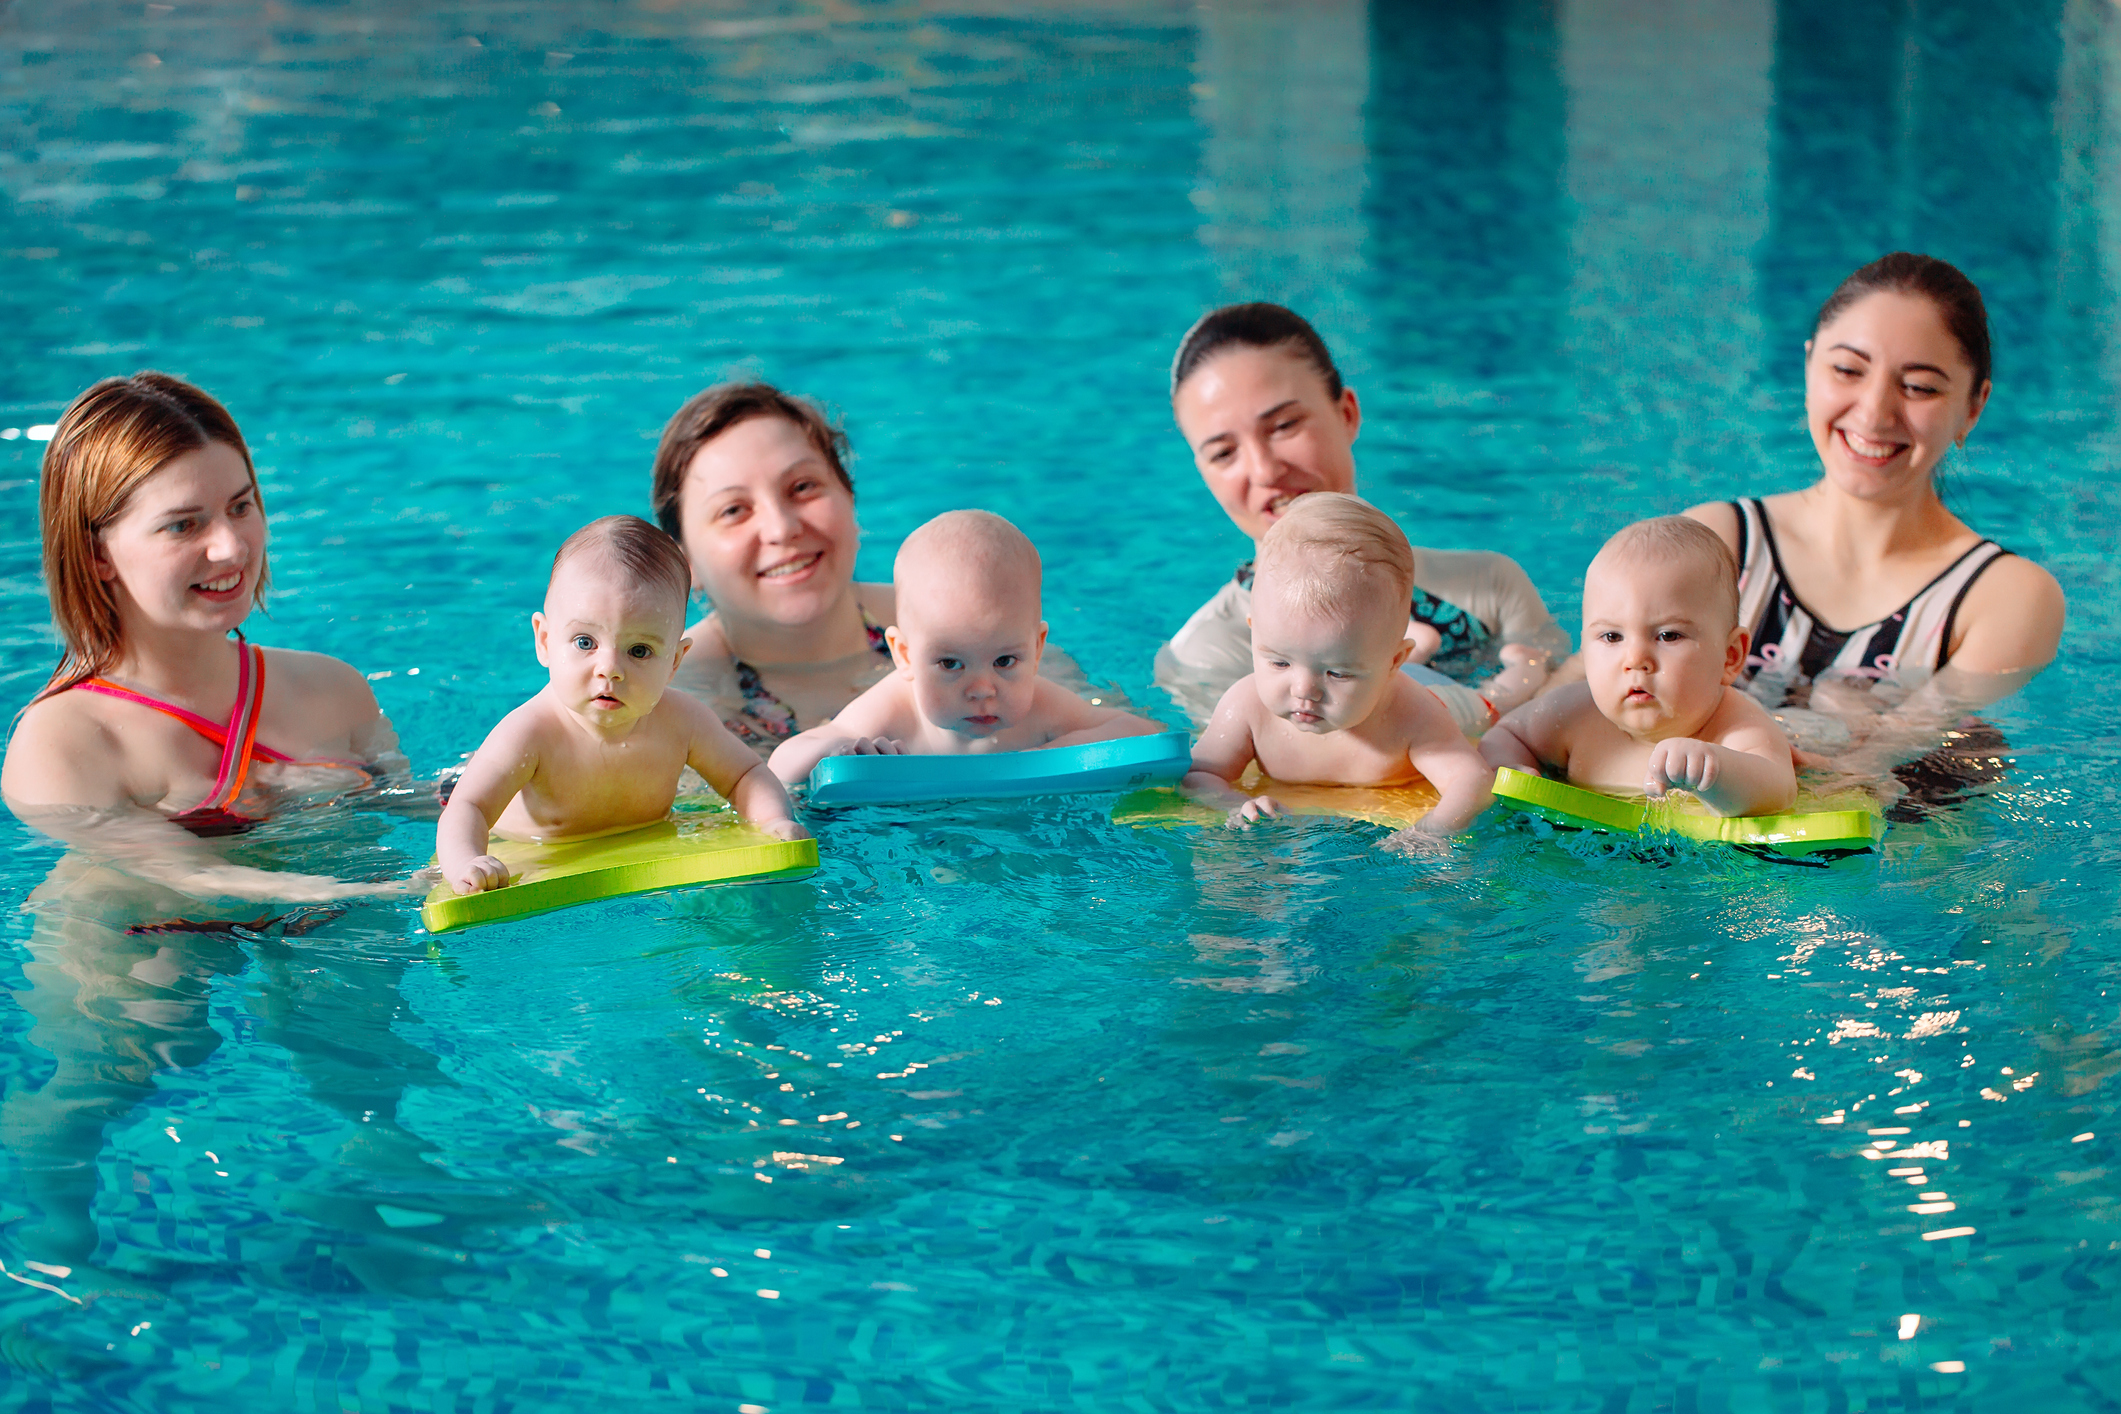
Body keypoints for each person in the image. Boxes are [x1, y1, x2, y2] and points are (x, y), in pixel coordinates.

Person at [2, 372, 413, 901]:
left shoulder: (334, 690)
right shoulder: (64, 744)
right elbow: (193, 876)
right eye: (183, 525)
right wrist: (396, 890)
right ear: (96, 555)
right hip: (143, 940)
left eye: (240, 507)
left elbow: (408, 804)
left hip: (330, 933)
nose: (231, 548)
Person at [1680, 252, 2064, 782]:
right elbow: (1586, 694)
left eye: (1921, 386)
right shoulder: (1718, 543)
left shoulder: (2004, 597)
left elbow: (1872, 767)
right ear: (1809, 367)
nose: (1874, 412)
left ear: (1974, 407)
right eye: (1847, 370)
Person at [1159, 303, 1567, 734]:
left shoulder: (1489, 588)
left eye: (1284, 425)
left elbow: (1571, 719)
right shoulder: (1206, 654)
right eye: (1223, 453)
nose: (1264, 471)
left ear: (1347, 414)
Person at [651, 382, 1097, 753]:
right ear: (685, 561)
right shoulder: (671, 696)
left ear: (850, 500)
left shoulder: (963, 612)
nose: (782, 528)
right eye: (733, 510)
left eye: (803, 486)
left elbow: (1113, 744)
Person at [437, 516, 806, 895]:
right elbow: (470, 807)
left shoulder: (685, 721)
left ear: (675, 662)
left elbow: (744, 774)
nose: (610, 669)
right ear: (545, 641)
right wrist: (466, 859)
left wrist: (772, 820)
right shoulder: (529, 732)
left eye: (640, 651)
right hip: (524, 845)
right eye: (585, 642)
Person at [1182, 494, 1496, 840]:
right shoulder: (1246, 707)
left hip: (1442, 694)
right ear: (1254, 631)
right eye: (1279, 661)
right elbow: (1200, 776)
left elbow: (1473, 780)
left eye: (1337, 673)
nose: (1303, 689)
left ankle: (1449, 654)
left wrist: (1432, 830)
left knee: (1491, 707)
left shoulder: (1413, 715)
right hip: (1373, 666)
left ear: (1394, 661)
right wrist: (1232, 803)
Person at [767, 510, 1163, 783]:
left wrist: (1046, 756)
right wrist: (840, 751)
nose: (982, 689)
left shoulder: (1042, 709)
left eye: (1005, 660)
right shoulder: (895, 712)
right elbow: (781, 764)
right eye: (950, 663)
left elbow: (1145, 733)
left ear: (1038, 649)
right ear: (904, 655)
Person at [1481, 518, 1798, 818]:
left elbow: (1780, 791)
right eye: (1611, 636)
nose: (1635, 659)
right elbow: (1506, 734)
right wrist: (1512, 769)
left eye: (1667, 635)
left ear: (1730, 656)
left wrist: (1717, 771)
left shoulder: (1737, 729)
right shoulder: (1573, 713)